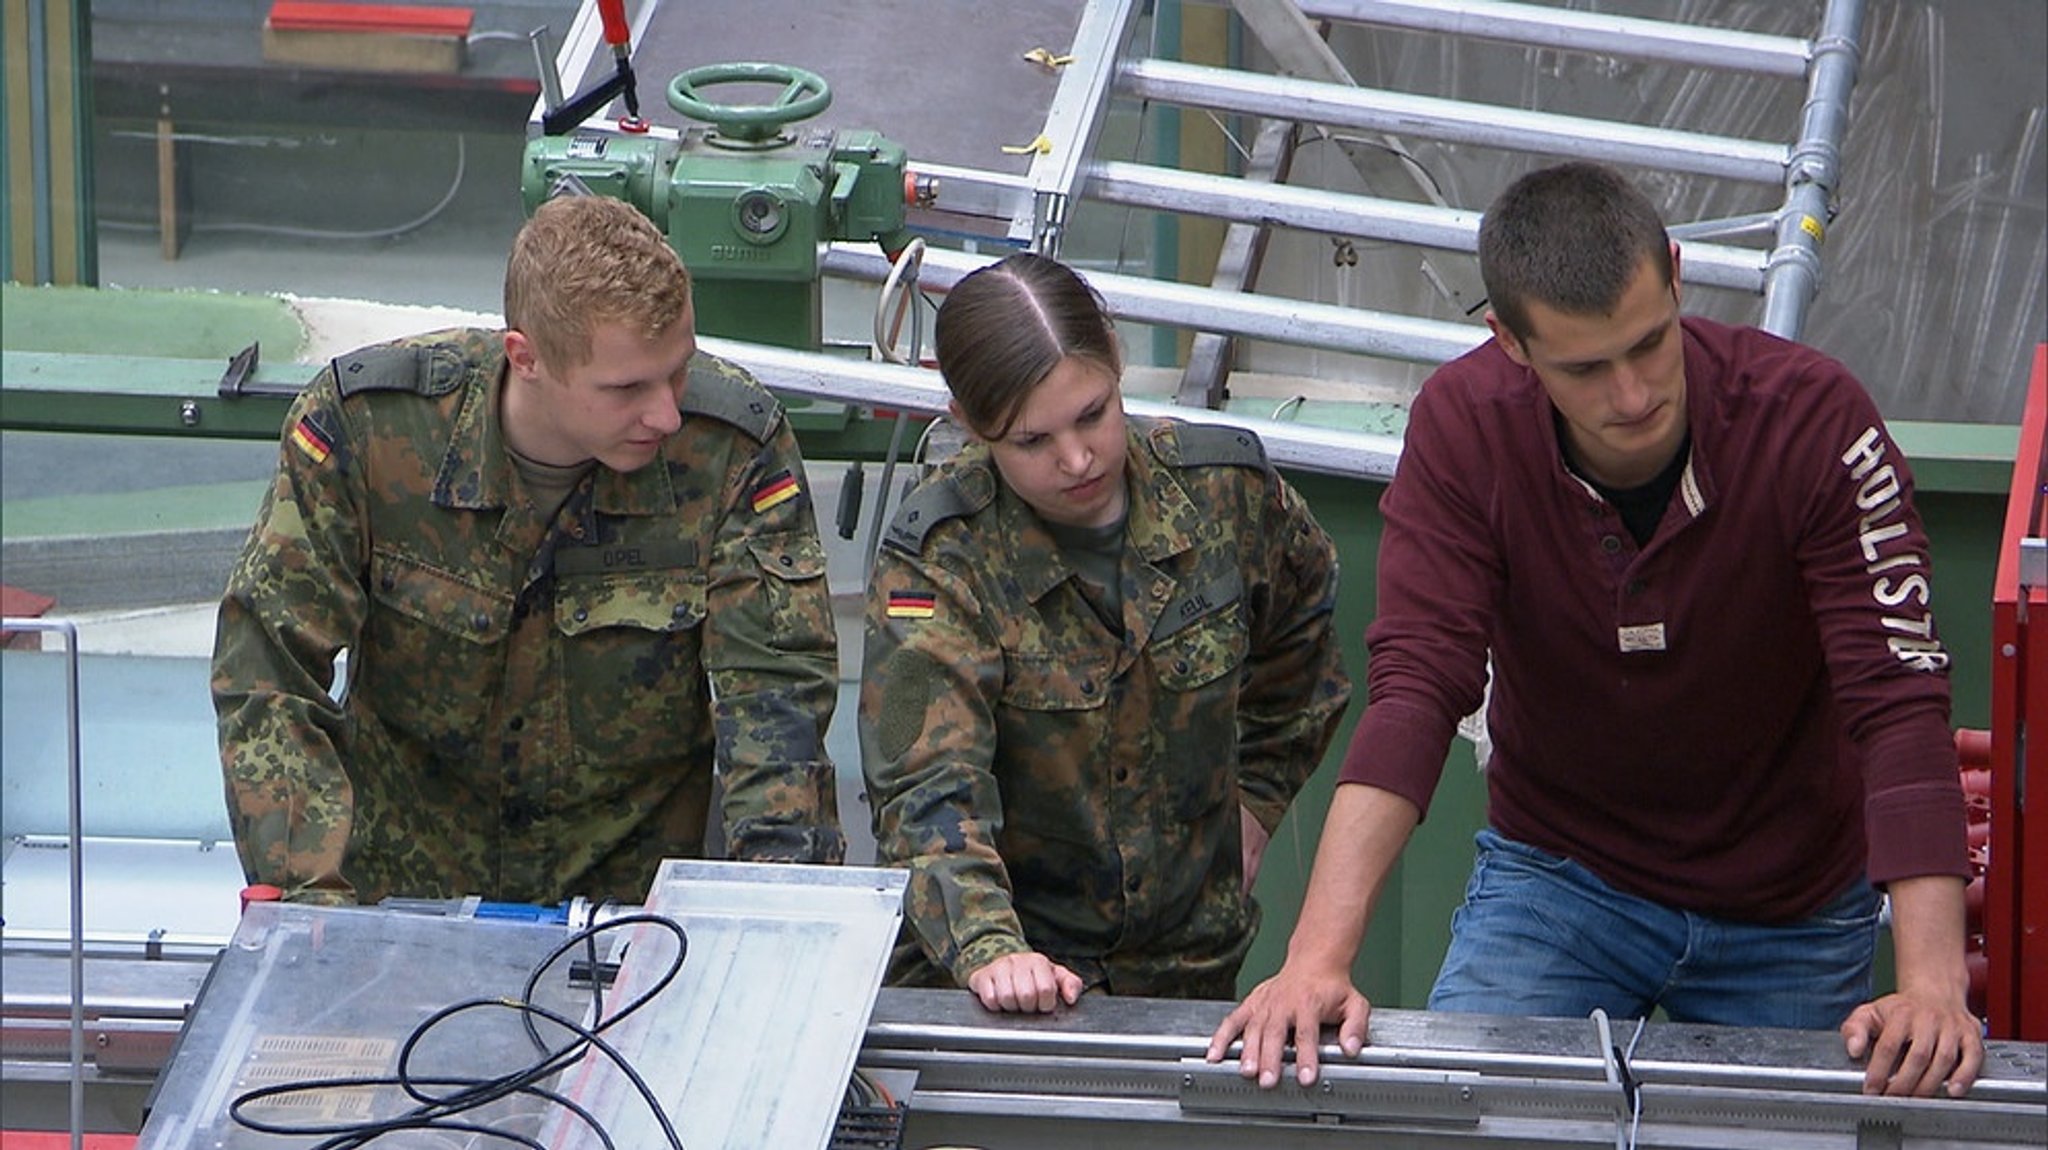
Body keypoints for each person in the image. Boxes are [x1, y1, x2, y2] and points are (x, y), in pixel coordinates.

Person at [1206, 161, 1983, 1099]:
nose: (1630, 394)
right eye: (1583, 366)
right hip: (1559, 880)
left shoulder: (1816, 422)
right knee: (1468, 1116)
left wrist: (1934, 990)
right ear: (1509, 341)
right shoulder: (1463, 428)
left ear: (1675, 273)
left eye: (1650, 344)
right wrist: (1315, 958)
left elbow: (1898, 700)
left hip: (1795, 906)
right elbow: (1417, 686)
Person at [213, 194, 845, 908]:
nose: (667, 412)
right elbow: (267, 670)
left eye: (678, 370)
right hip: (402, 907)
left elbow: (775, 706)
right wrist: (310, 904)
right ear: (528, 358)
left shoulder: (731, 450)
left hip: (625, 928)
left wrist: (777, 922)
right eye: (627, 388)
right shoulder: (369, 434)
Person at [859, 253, 1352, 1012]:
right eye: (1031, 441)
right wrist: (990, 946)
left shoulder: (1227, 496)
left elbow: (1304, 642)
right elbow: (922, 783)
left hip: (1187, 966)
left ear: (1117, 363)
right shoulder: (938, 559)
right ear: (969, 426)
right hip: (1006, 973)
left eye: (1093, 413)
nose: (1077, 458)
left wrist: (1258, 797)